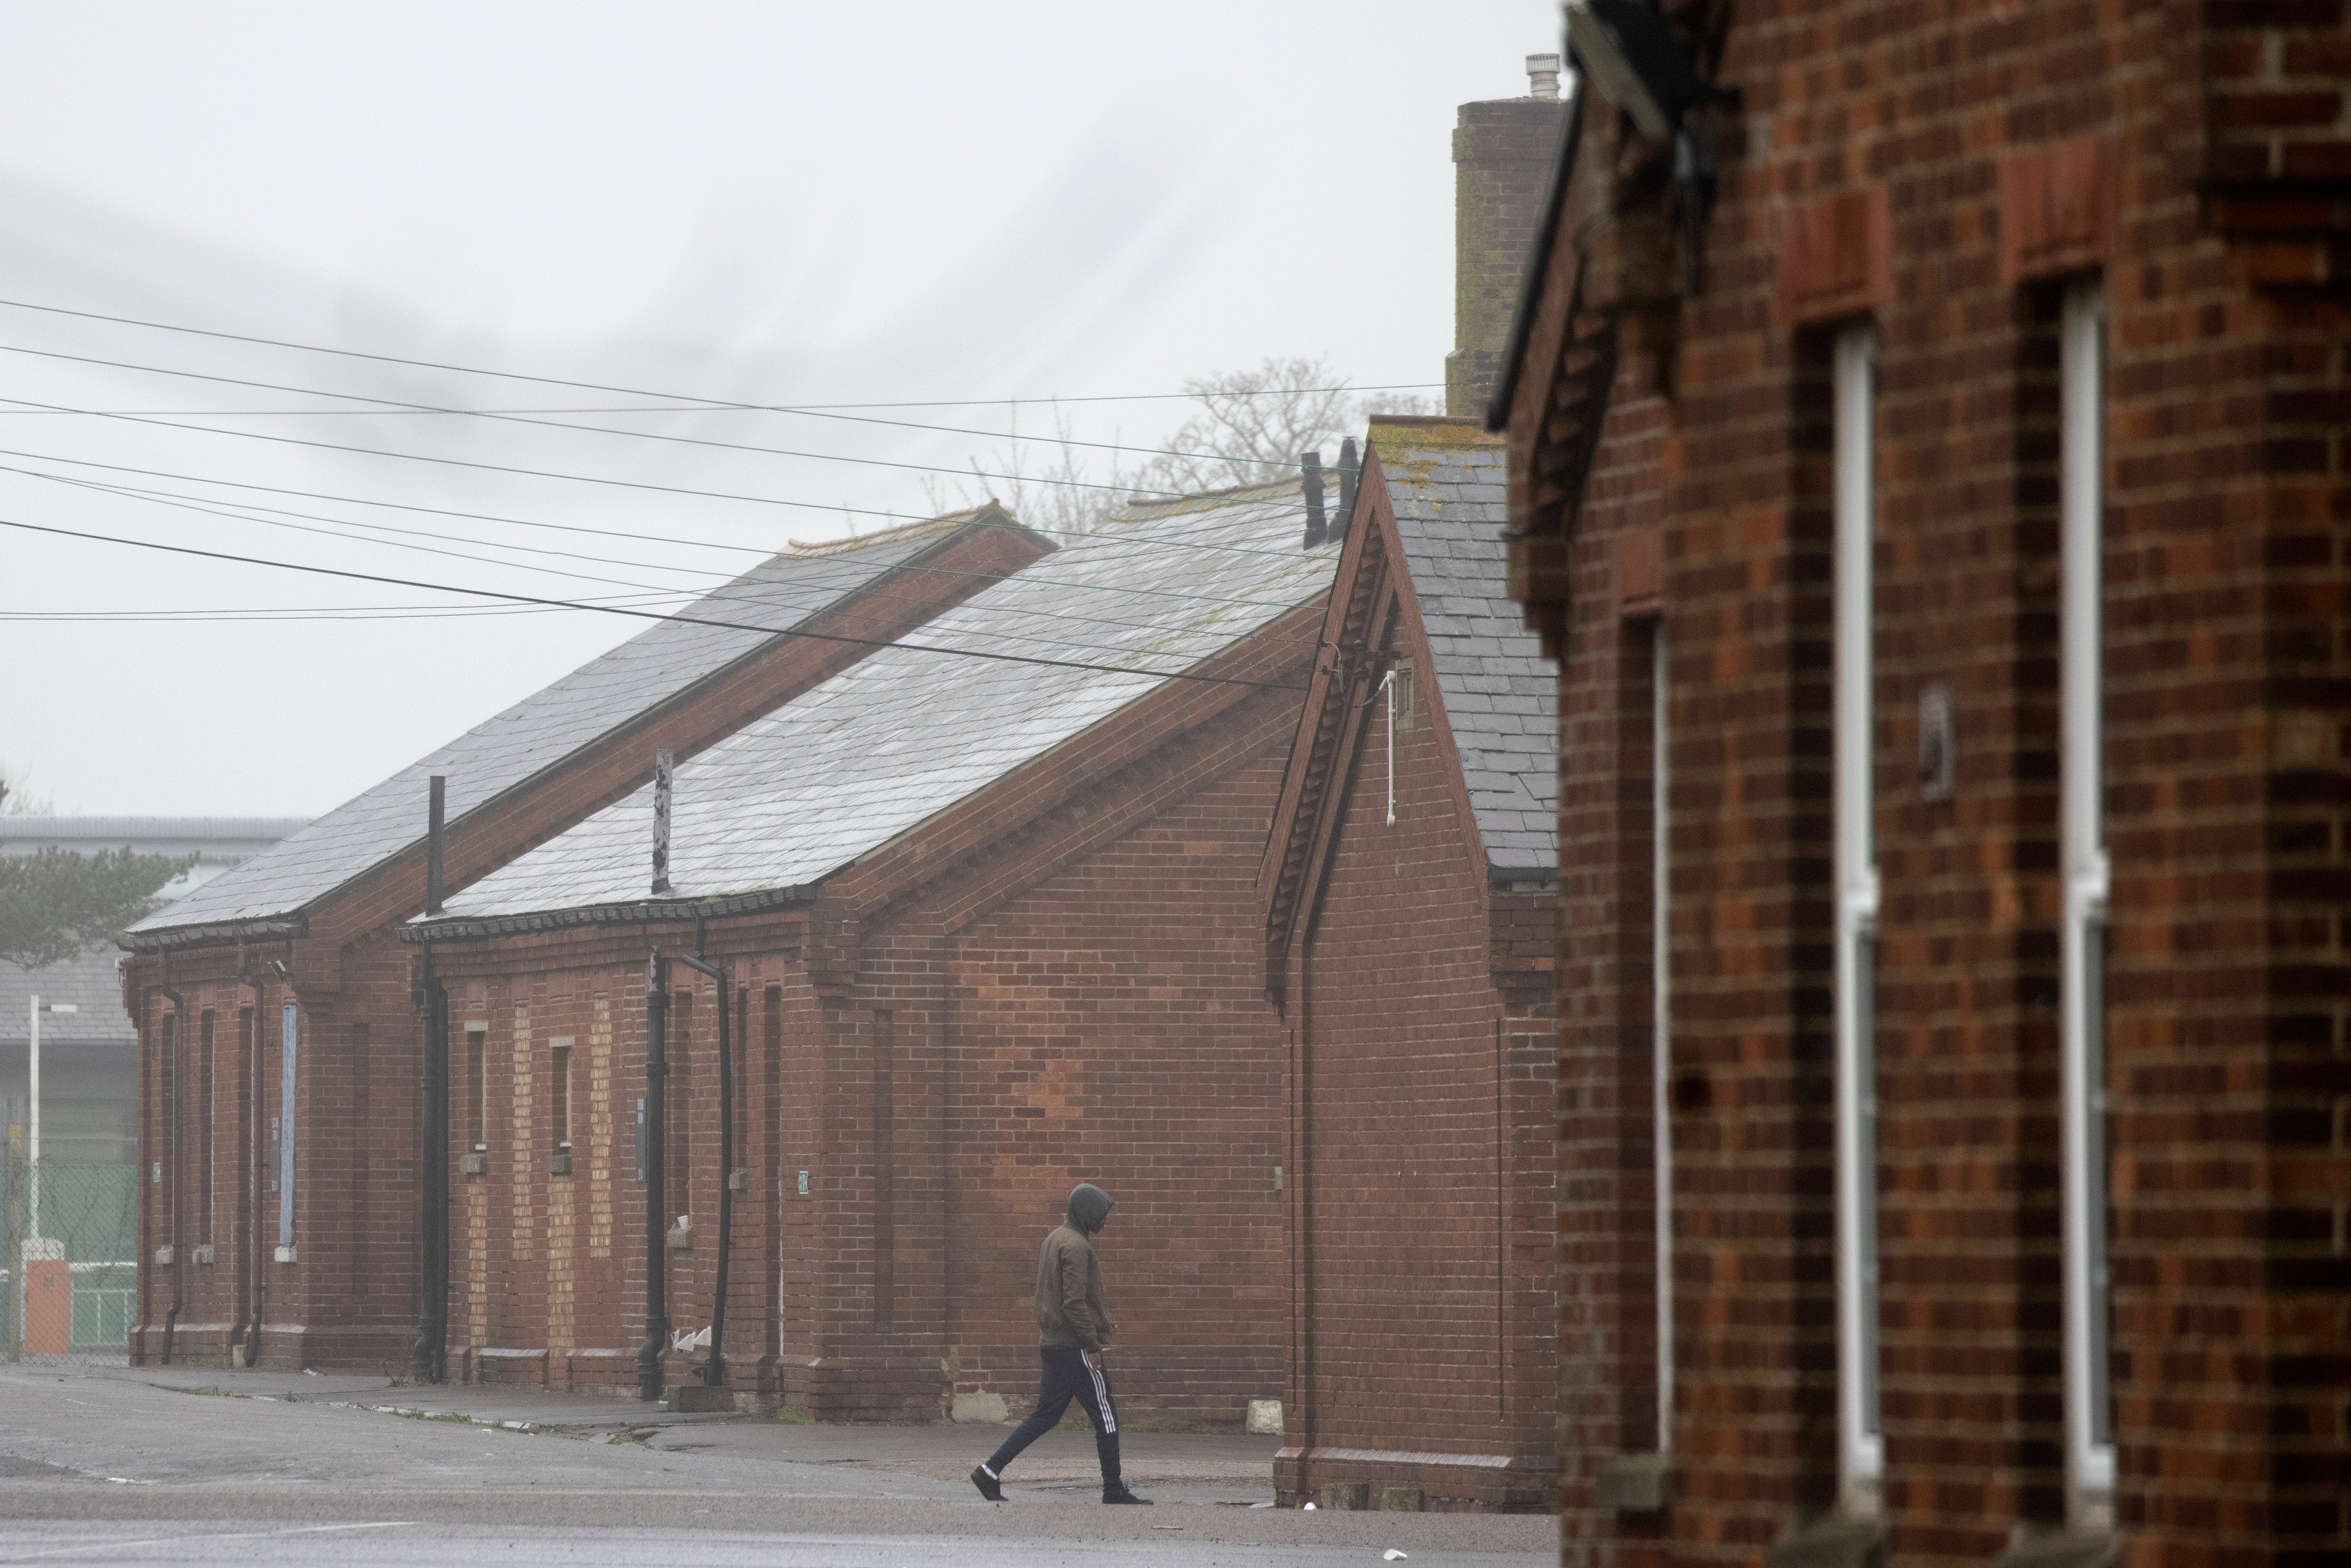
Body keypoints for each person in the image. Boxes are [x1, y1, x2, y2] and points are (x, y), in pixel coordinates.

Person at [970, 1182, 1151, 1505]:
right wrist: (1093, 1343)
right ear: (1086, 1214)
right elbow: (1073, 1302)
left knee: (1045, 1416)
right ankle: (1113, 1490)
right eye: (1101, 1214)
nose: (1105, 1220)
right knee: (1106, 1416)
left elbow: (1059, 1299)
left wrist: (1099, 1323)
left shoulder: (1054, 1239)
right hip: (1076, 1348)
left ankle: (989, 1471)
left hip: (1053, 1345)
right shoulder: (1077, 1247)